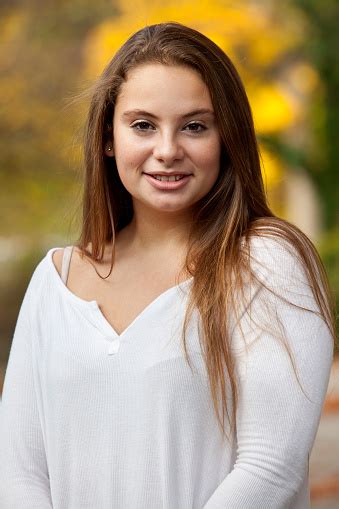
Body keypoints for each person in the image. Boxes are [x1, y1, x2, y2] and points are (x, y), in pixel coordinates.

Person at [0, 21, 336, 509]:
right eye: (143, 125)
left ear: (227, 138)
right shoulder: (55, 281)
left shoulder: (266, 263)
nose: (167, 150)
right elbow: (18, 470)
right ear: (109, 138)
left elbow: (271, 465)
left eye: (195, 126)